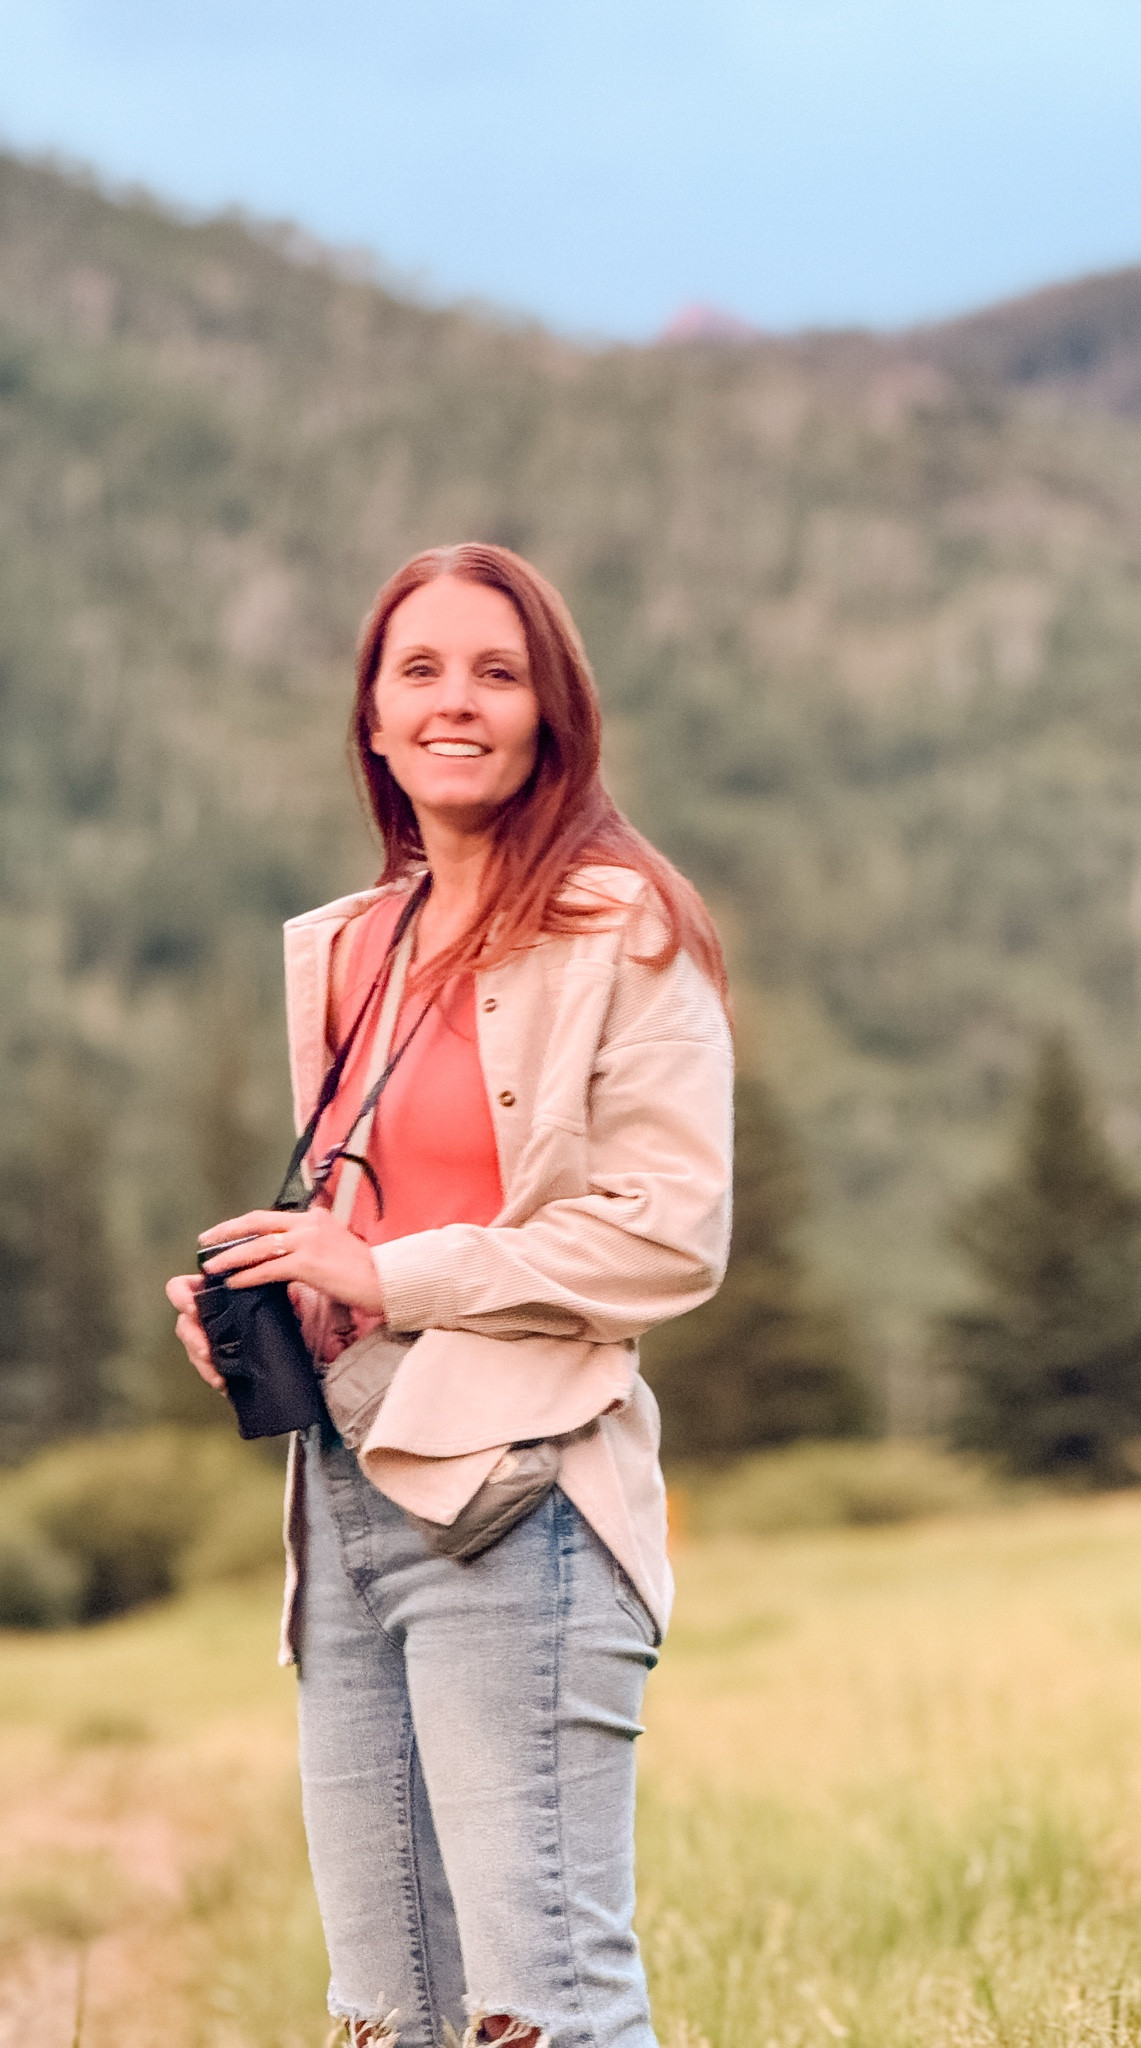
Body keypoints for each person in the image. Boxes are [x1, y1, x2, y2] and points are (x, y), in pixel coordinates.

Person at [166, 544, 733, 2048]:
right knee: (384, 2016)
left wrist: (388, 1272)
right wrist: (291, 1298)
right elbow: (371, 1218)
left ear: (555, 713)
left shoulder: (626, 930)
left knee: (542, 2013)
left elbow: (672, 1237)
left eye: (498, 670)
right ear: (370, 717)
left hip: (525, 1503)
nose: (456, 702)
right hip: (344, 1503)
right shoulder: (355, 947)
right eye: (419, 670)